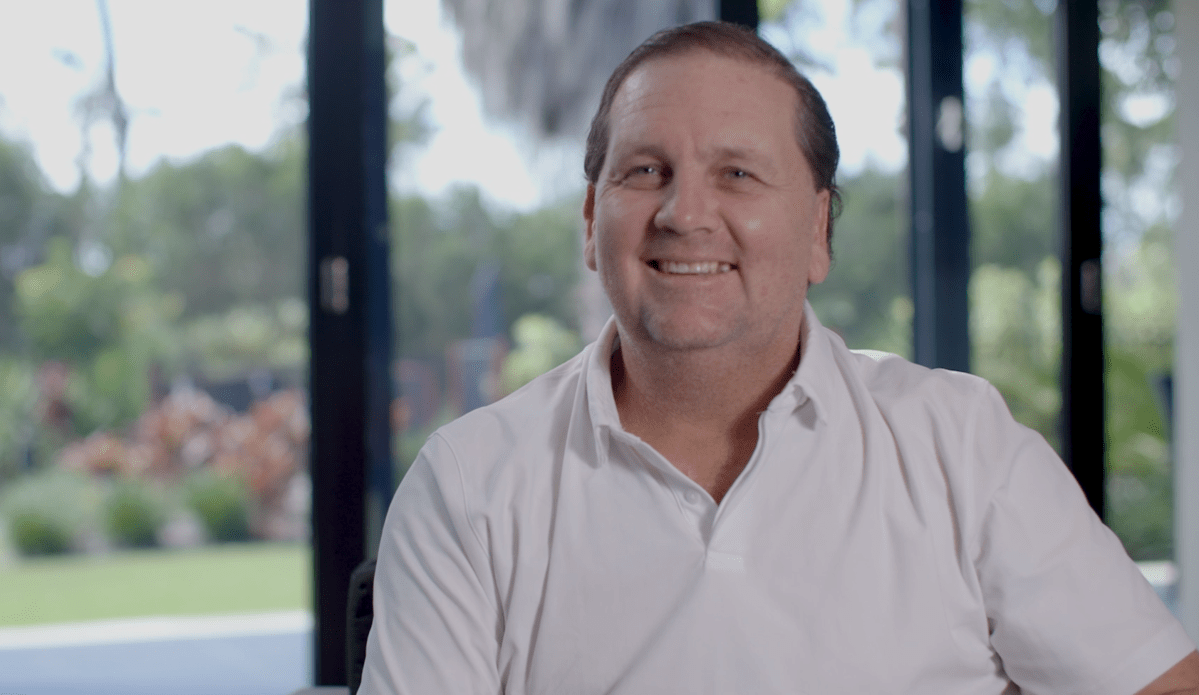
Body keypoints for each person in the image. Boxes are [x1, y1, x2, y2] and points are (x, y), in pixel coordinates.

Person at [359, 21, 1199, 694]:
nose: (685, 213)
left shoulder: (960, 443)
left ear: (818, 231)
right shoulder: (467, 484)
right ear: (591, 221)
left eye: (736, 174)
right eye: (645, 170)